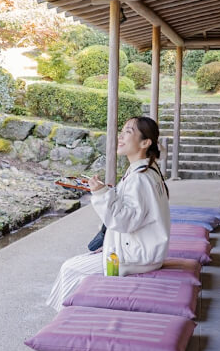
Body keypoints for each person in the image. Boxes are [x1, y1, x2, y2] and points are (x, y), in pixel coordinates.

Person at [45, 116, 171, 309]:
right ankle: (69, 317)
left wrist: (101, 193)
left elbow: (124, 221)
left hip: (137, 257)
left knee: (70, 269)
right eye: (122, 131)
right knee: (78, 265)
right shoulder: (147, 170)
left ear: (145, 143)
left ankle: (66, 322)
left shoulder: (139, 178)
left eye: (128, 132)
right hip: (141, 251)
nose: (120, 137)